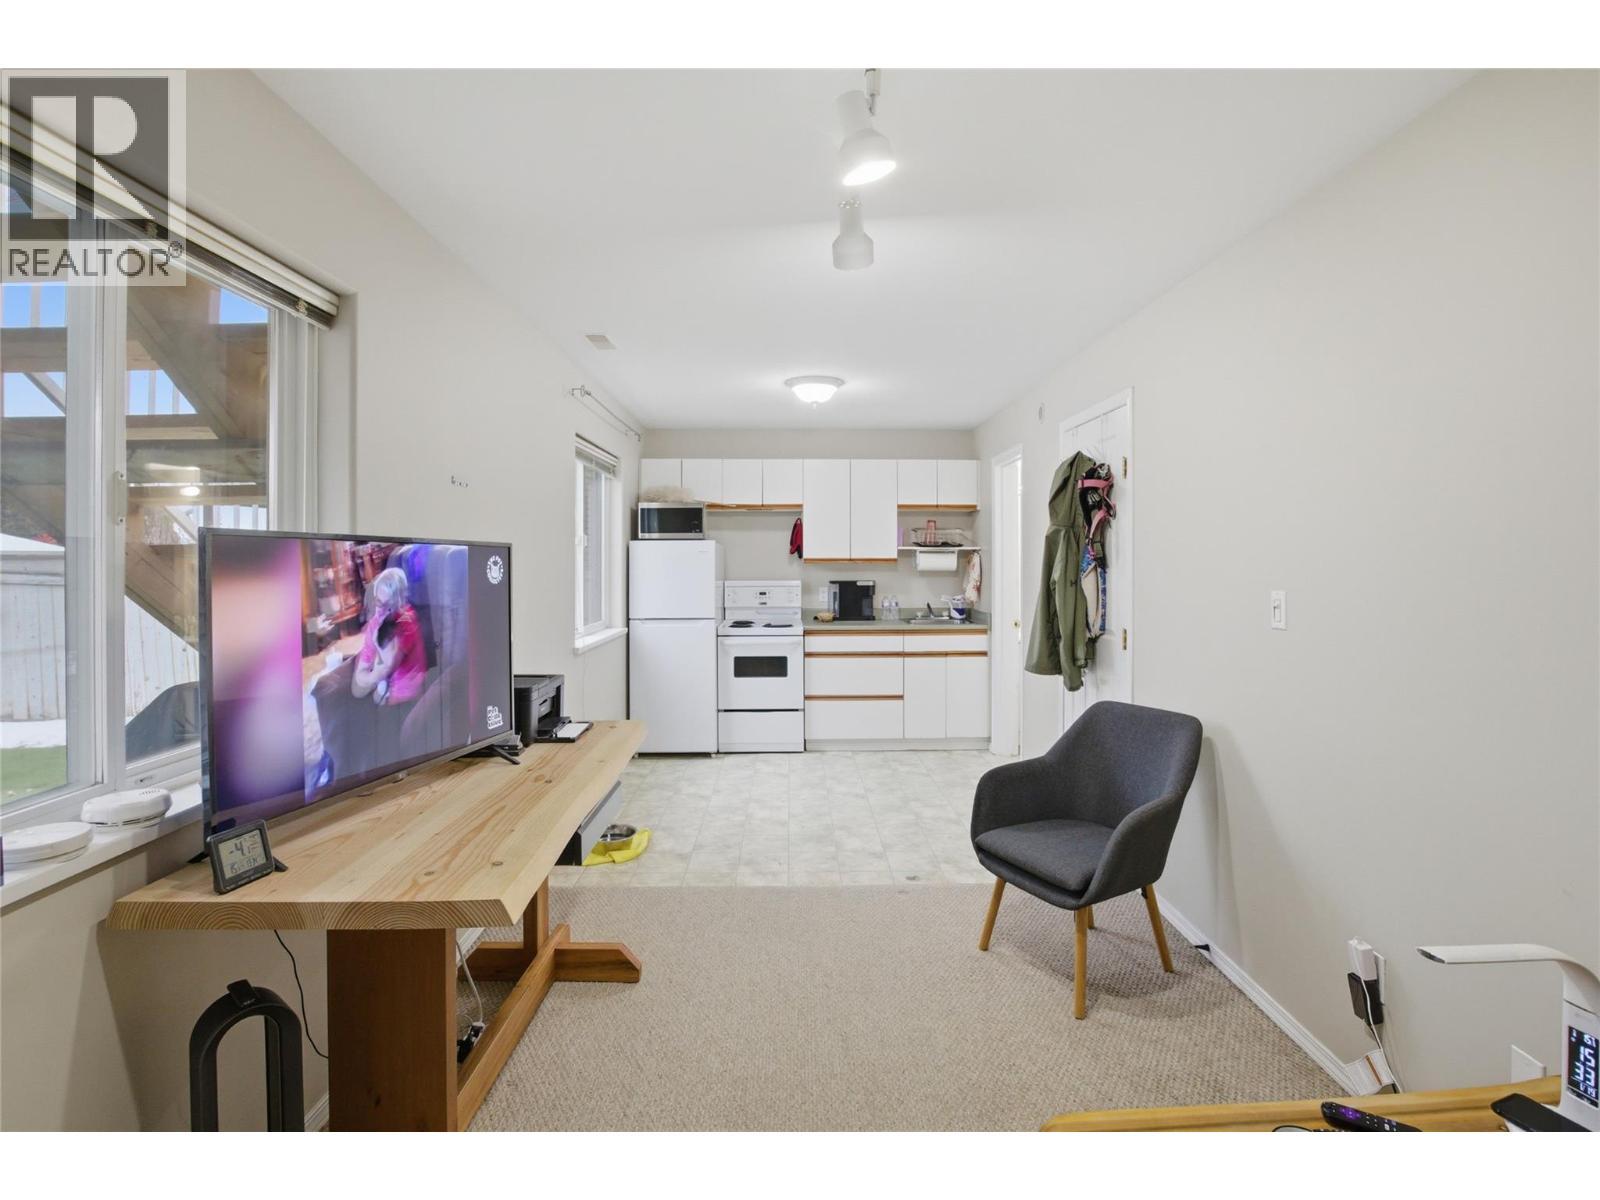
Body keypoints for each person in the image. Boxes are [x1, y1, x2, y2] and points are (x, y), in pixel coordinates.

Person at [352, 566, 427, 705]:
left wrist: (376, 643)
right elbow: (361, 673)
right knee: (356, 688)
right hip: (385, 682)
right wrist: (371, 676)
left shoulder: (407, 619)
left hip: (405, 694)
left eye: (389, 606)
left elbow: (389, 665)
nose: (380, 611)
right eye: (378, 602)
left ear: (400, 605)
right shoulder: (375, 623)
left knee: (374, 697)